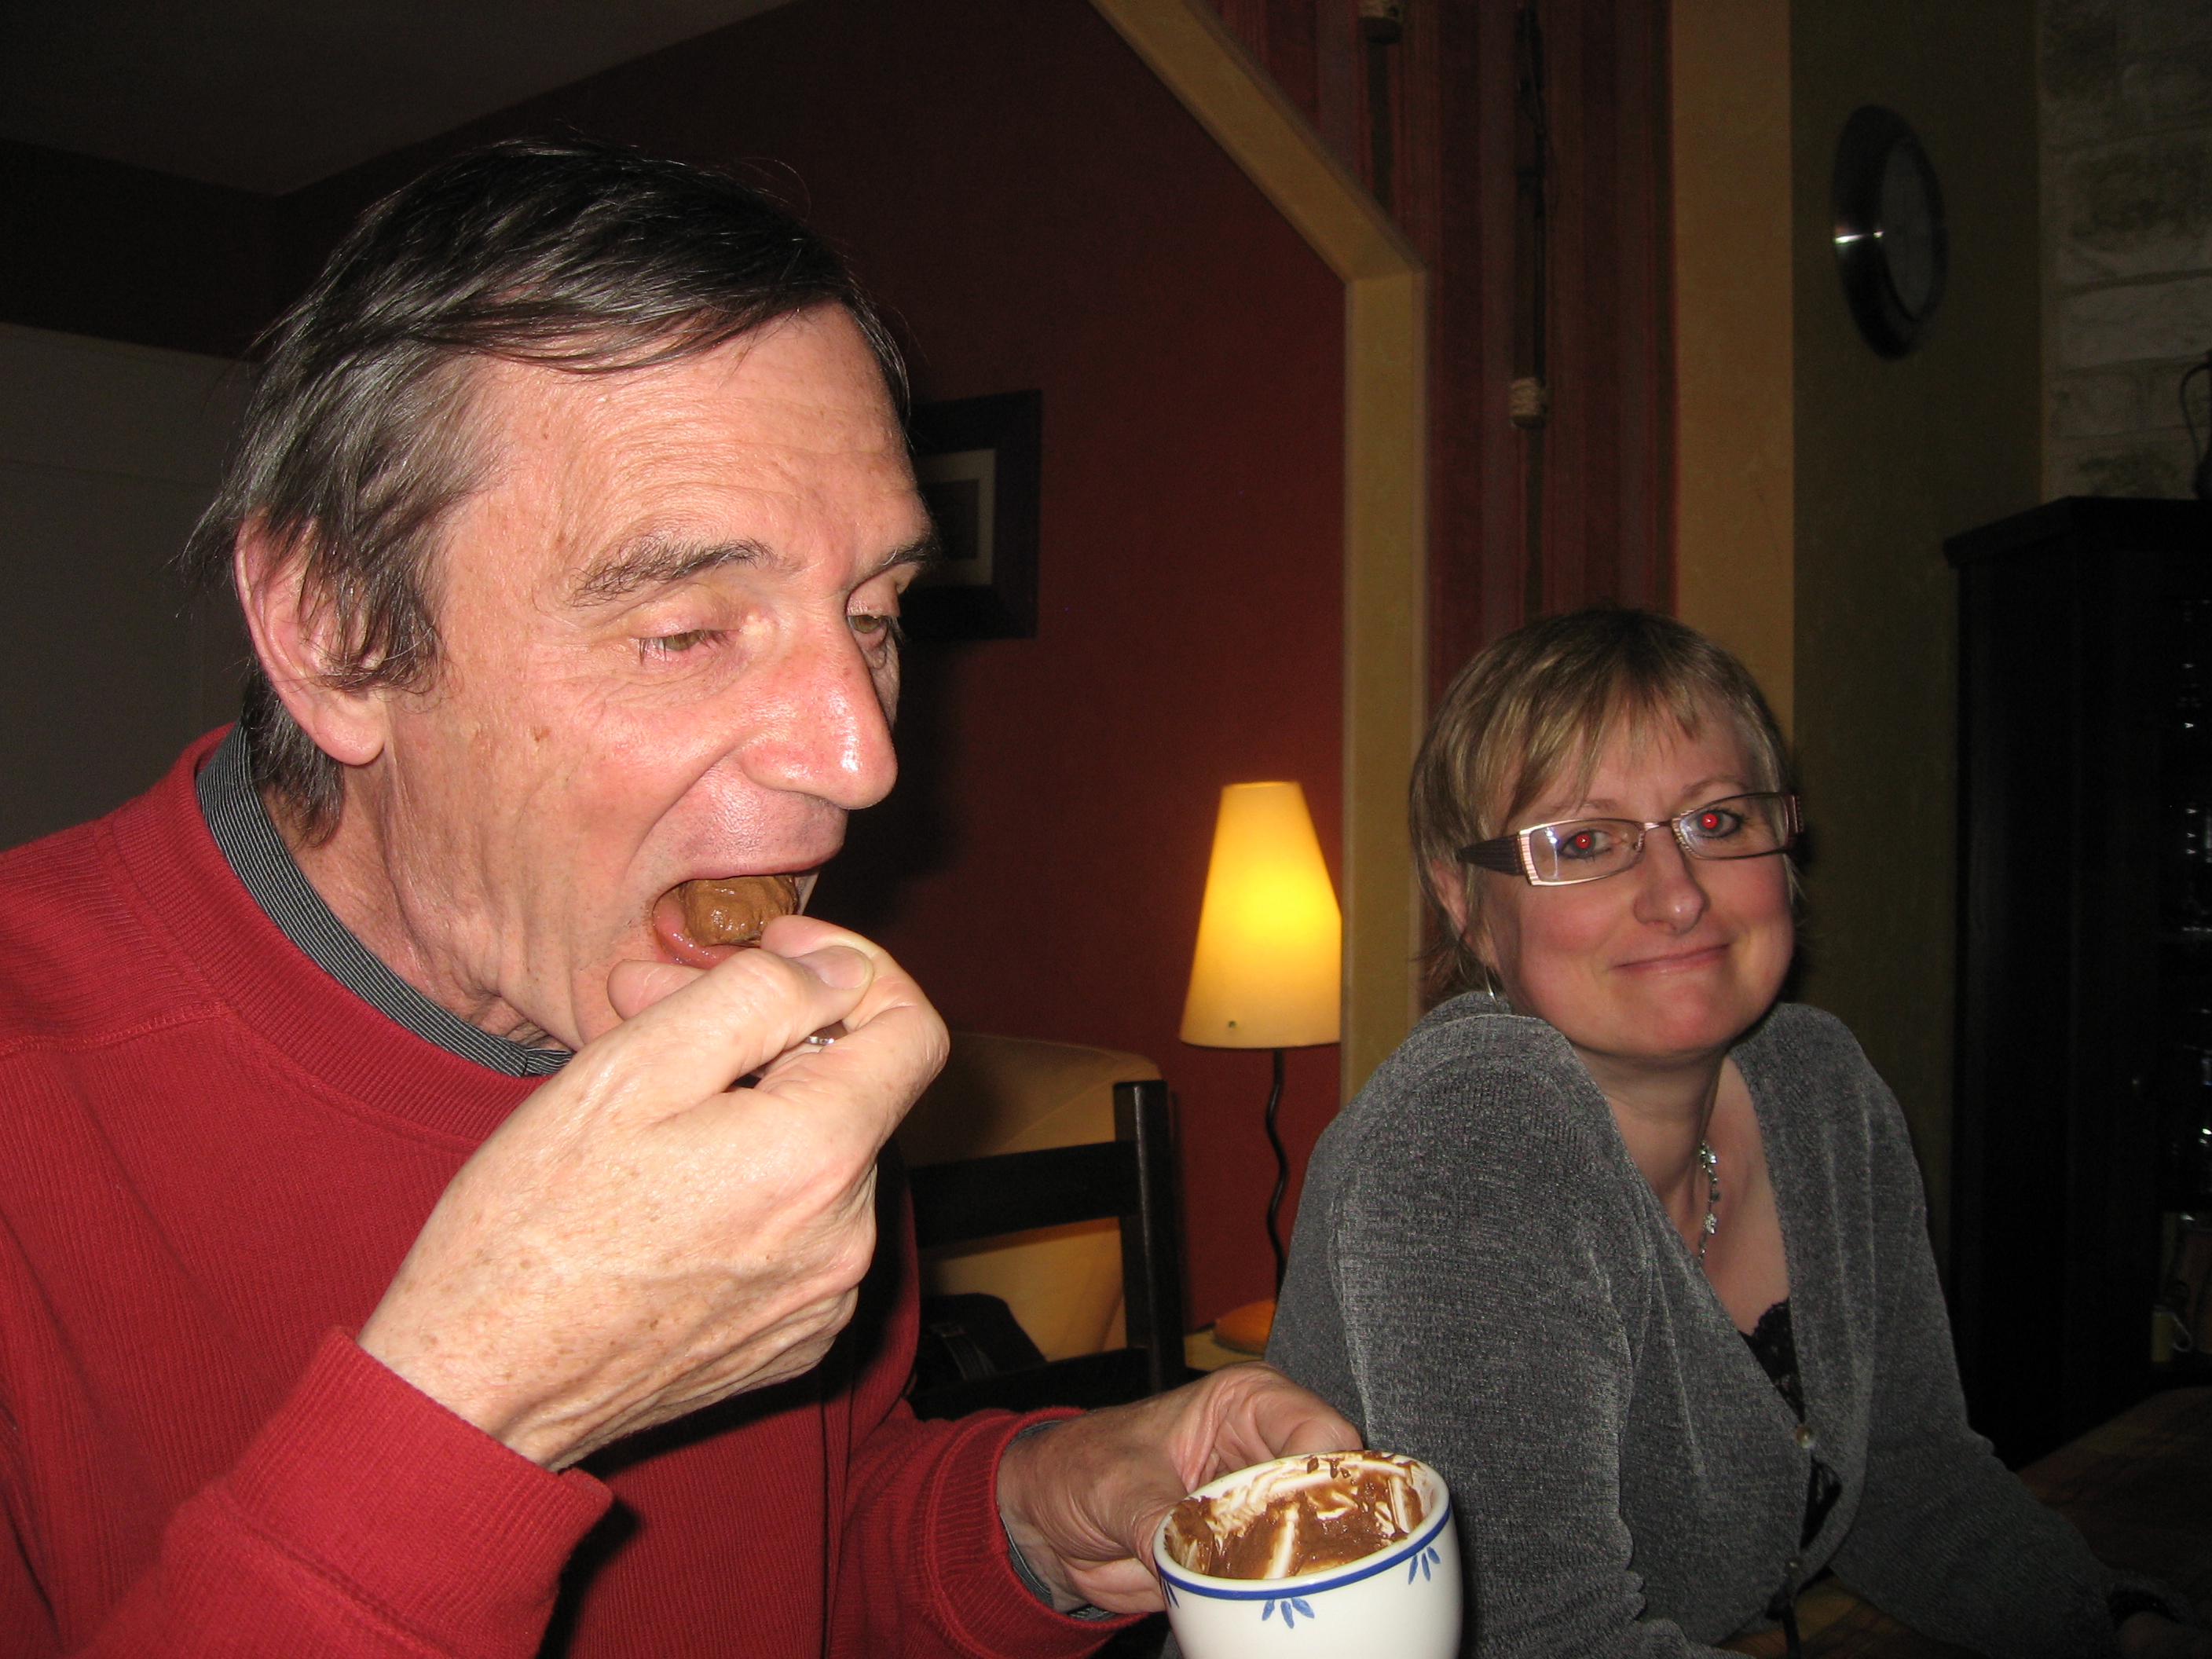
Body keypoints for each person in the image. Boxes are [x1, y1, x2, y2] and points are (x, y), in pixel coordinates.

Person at [0, 137, 1354, 1657]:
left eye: (876, 615)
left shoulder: (762, 1042)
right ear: (334, 633)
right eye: (690, 629)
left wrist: (1043, 1513)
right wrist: (485, 1409)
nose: (860, 759)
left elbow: (804, 1541)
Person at [1267, 607, 2207, 1658]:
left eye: (1716, 821)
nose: (1677, 896)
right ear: (1465, 901)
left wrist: (2113, 1625)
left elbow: (1906, 1477)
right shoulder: (1467, 1135)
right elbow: (1545, 1641)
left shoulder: (1819, 1089)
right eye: (1585, 841)